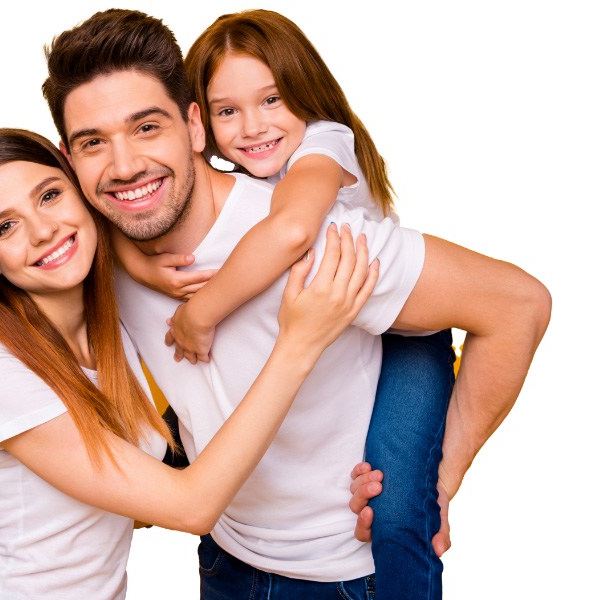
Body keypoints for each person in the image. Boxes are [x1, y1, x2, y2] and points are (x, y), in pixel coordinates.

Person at [42, 8, 551, 599]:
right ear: (68, 157)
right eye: (93, 143)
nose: (124, 164)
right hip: (224, 560)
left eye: (147, 127)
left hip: (348, 578)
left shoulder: (320, 239)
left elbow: (519, 305)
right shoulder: (86, 248)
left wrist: (440, 479)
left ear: (193, 126)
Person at [0, 127, 379, 599]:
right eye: (4, 227)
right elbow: (190, 507)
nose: (43, 230)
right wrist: (300, 343)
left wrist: (352, 479)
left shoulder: (115, 320)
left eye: (49, 196)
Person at [114, 9, 456, 598]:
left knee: (397, 503)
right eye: (227, 111)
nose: (251, 128)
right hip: (248, 531)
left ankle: (428, 505)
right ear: (199, 122)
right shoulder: (223, 176)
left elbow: (292, 230)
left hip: (405, 334)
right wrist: (137, 259)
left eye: (272, 100)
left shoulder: (323, 143)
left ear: (305, 92)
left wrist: (202, 312)